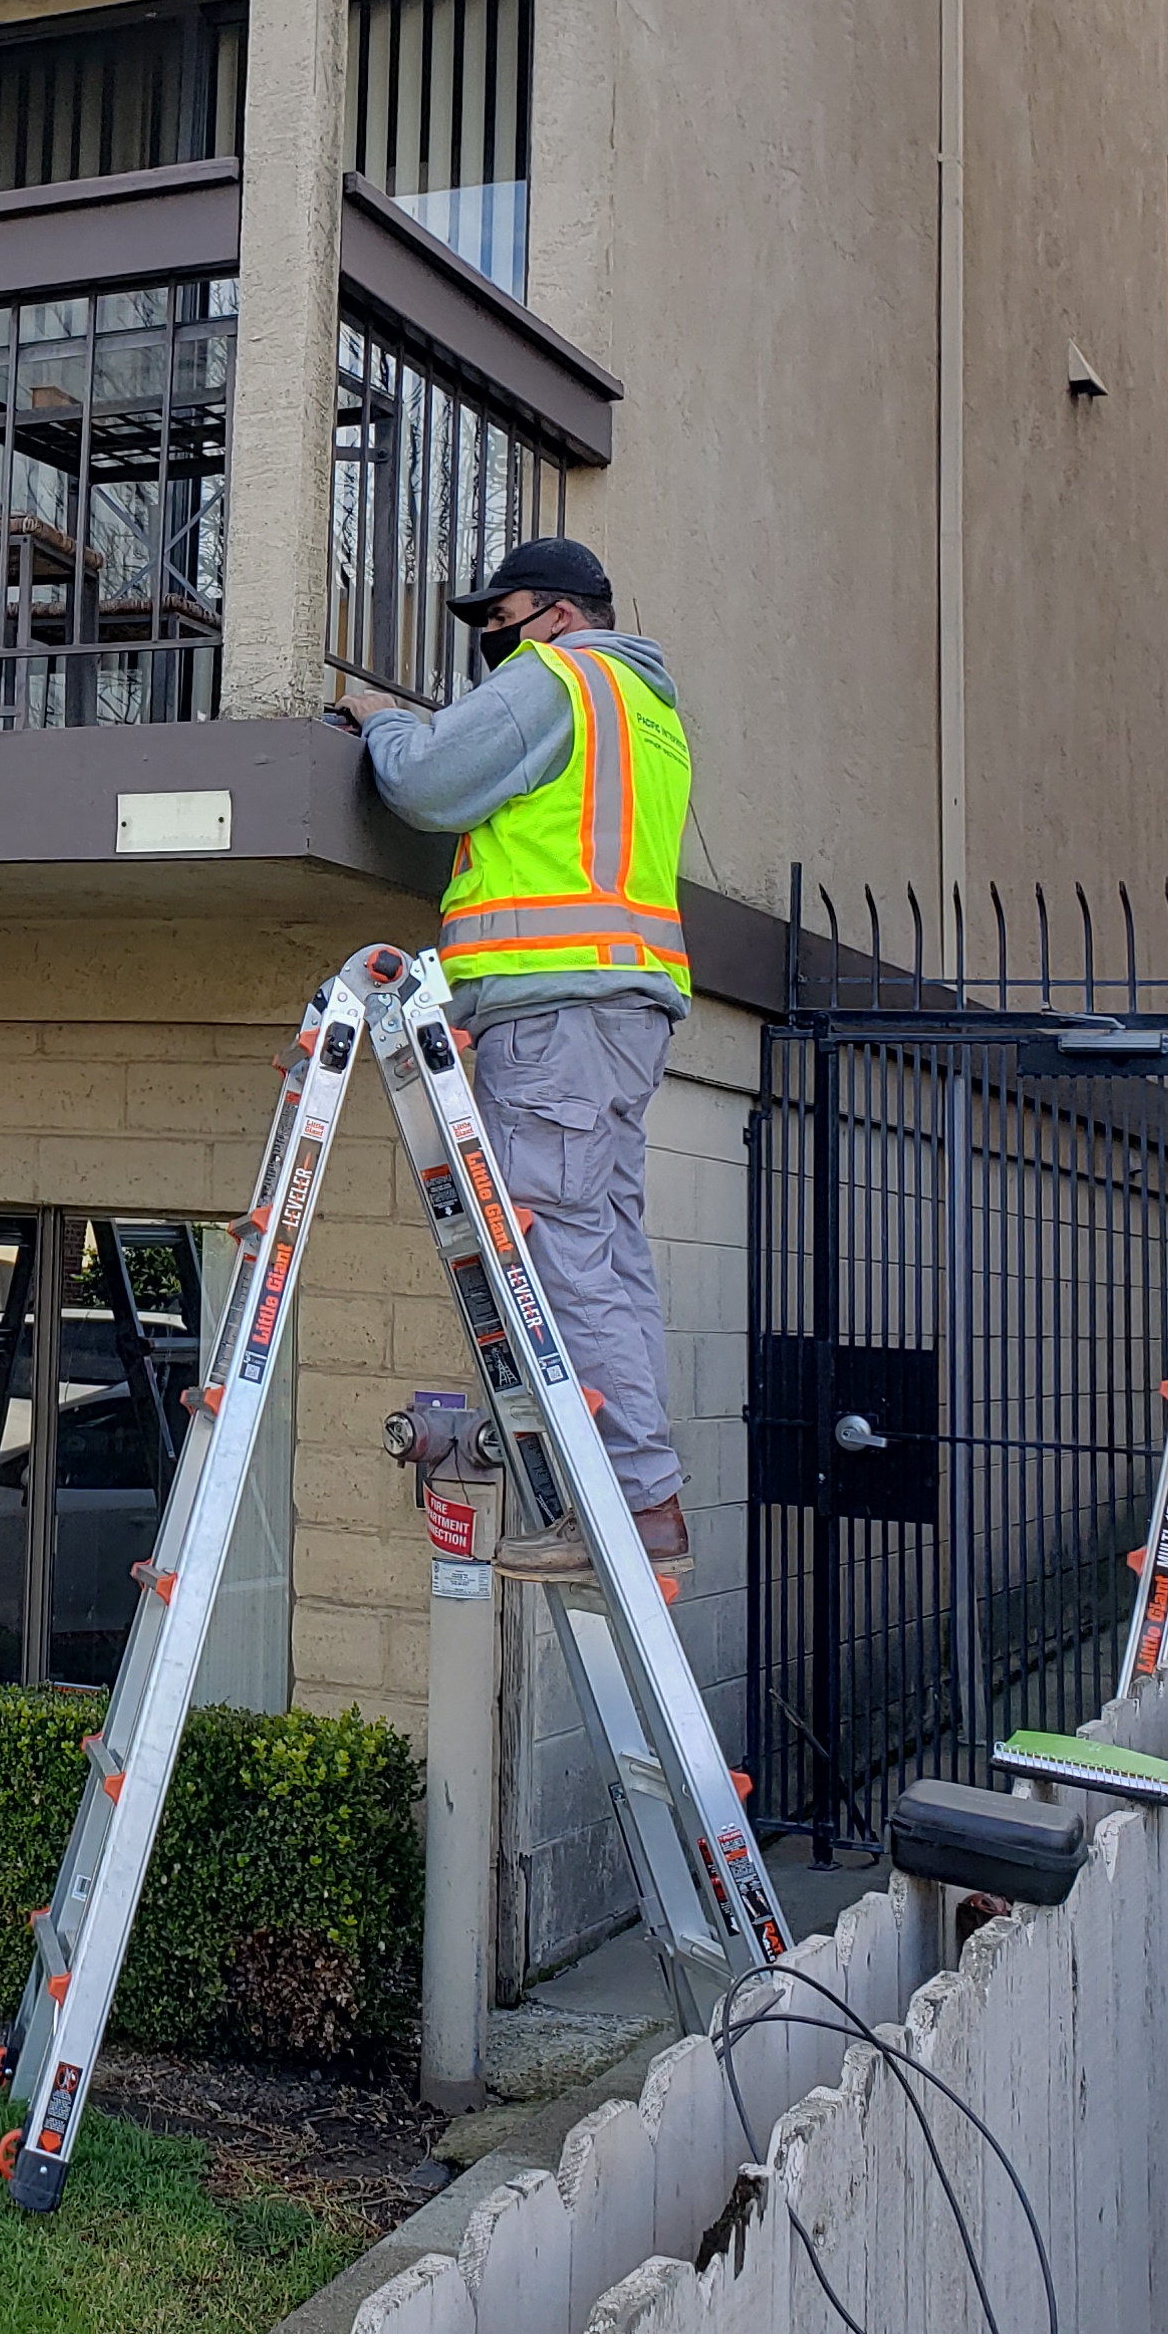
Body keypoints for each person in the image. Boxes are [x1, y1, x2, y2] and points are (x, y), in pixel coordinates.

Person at [337, 536, 699, 1583]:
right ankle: (642, 1497)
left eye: (503, 617)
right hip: (615, 1008)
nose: (492, 638)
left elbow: (431, 786)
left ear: (562, 613)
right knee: (606, 1253)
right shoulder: (649, 709)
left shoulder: (564, 677)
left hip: (557, 1014)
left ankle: (624, 1511)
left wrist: (381, 720)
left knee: (563, 1251)